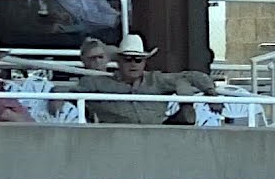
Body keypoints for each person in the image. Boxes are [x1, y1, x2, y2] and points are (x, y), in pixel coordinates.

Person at [69, 33, 221, 124]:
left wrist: (210, 93)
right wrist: (57, 97)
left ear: (144, 62)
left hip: (157, 138)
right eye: (128, 59)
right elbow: (72, 91)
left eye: (138, 60)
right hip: (116, 140)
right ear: (119, 61)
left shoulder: (156, 79)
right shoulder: (99, 82)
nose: (133, 64)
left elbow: (191, 76)